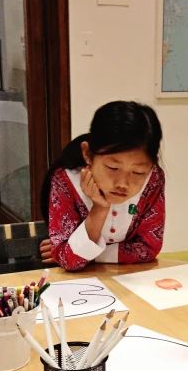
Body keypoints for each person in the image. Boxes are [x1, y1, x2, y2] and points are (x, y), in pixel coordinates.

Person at [40, 100, 165, 271]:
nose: (122, 183)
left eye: (138, 172)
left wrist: (82, 252)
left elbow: (149, 249)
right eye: (113, 168)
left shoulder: (154, 179)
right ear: (88, 153)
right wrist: (99, 208)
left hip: (129, 280)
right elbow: (69, 261)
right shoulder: (65, 180)